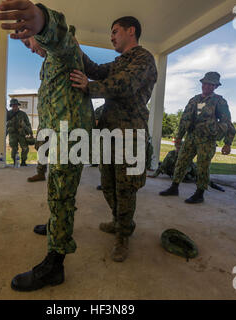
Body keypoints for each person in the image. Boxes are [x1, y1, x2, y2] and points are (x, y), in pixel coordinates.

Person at [0, 0, 93, 291]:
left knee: (62, 195)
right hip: (59, 136)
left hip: (71, 138)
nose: (30, 47)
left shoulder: (64, 50)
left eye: (29, 40)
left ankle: (55, 265)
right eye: (27, 43)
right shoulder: (49, 63)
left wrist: (41, 20)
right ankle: (55, 228)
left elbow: (61, 35)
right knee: (55, 188)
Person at [70, 16, 158, 262]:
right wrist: (77, 50)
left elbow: (126, 84)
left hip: (131, 135)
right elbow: (97, 70)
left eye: (115, 31)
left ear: (131, 31)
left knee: (126, 188)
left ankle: (123, 236)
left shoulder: (144, 59)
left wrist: (91, 88)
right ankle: (119, 221)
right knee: (108, 184)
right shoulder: (120, 61)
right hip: (109, 132)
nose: (111, 36)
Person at [159, 72, 235, 203]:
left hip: (207, 139)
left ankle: (200, 193)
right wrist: (179, 137)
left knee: (203, 166)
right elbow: (184, 119)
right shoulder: (194, 100)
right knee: (181, 161)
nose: (207, 86)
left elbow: (227, 122)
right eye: (205, 83)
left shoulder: (219, 101)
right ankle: (174, 187)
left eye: (210, 84)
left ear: (215, 86)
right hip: (191, 137)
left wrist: (228, 143)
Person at [6, 98, 32, 166]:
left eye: (16, 105)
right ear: (11, 106)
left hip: (21, 134)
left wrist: (30, 132)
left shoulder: (23, 114)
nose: (14, 106)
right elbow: (4, 124)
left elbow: (28, 124)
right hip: (12, 134)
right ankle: (15, 161)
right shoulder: (8, 114)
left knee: (25, 148)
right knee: (14, 148)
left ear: (18, 105)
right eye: (13, 105)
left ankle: (23, 161)